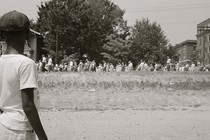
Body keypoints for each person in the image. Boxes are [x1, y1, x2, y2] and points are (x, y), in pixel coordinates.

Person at [0, 10, 48, 140]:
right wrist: (43, 137)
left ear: (3, 35)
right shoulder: (26, 63)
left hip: (3, 125)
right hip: (20, 129)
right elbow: (27, 105)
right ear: (27, 34)